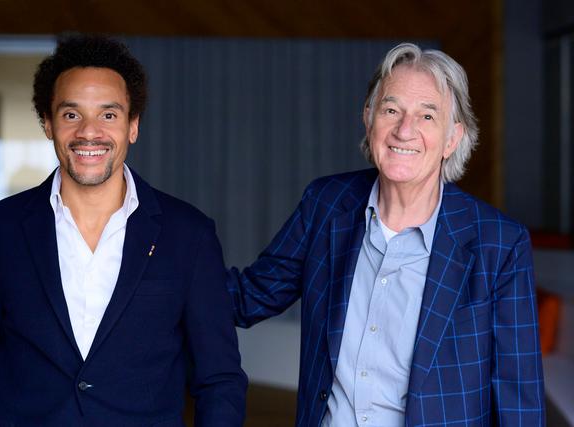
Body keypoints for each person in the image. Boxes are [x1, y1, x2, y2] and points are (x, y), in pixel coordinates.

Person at [228, 43, 545, 426]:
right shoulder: (326, 204)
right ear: (368, 117)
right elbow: (248, 297)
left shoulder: (500, 244)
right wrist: (167, 252)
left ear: (452, 139)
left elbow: (518, 399)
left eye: (427, 116)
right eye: (391, 110)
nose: (405, 130)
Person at [0, 34, 246, 427]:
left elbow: (219, 380)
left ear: (133, 125)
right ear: (47, 123)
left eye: (108, 115)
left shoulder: (189, 234)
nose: (89, 131)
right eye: (71, 115)